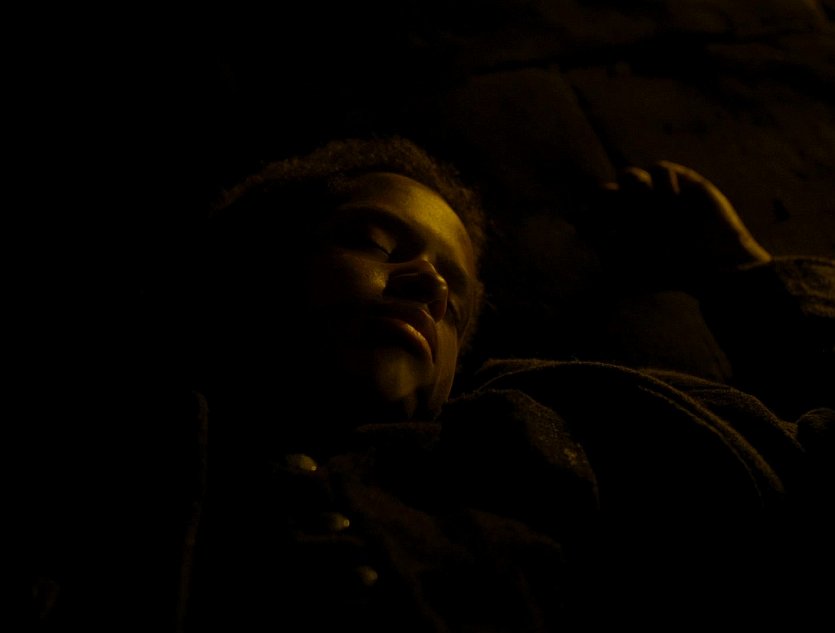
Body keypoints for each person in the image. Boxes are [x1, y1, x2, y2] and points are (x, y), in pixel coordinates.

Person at [30, 137, 834, 631]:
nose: (429, 285)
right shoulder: (108, 463)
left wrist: (743, 274)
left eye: (456, 296)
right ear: (250, 272)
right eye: (373, 240)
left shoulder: (557, 439)